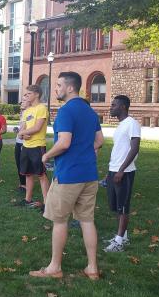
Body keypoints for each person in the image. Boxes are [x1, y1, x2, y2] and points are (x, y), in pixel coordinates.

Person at [29, 72, 104, 280]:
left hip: (69, 175)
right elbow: (99, 140)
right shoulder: (90, 112)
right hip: (89, 174)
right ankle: (92, 268)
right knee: (87, 220)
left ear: (70, 88)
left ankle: (55, 267)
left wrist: (46, 155)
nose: (56, 89)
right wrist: (86, 151)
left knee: (60, 221)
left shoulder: (65, 112)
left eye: (59, 85)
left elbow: (63, 143)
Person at [103, 95, 141, 253]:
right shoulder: (121, 125)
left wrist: (121, 170)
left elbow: (134, 148)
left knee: (123, 207)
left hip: (124, 172)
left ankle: (119, 242)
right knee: (116, 206)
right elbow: (118, 150)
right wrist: (110, 172)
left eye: (114, 105)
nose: (111, 107)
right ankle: (123, 237)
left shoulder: (132, 123)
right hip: (115, 170)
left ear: (123, 107)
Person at [17, 85, 50, 208]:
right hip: (26, 146)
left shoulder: (41, 108)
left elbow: (37, 127)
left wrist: (22, 133)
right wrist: (22, 135)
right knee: (28, 173)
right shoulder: (27, 110)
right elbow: (22, 129)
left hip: (38, 146)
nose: (26, 96)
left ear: (37, 94)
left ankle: (47, 203)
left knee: (41, 175)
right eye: (26, 94)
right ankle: (27, 199)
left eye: (29, 93)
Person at [14, 94, 29, 193]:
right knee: (19, 163)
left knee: (25, 164)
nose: (21, 103)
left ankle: (25, 185)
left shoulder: (31, 114)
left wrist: (22, 134)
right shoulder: (22, 113)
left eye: (23, 101)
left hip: (27, 143)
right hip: (18, 142)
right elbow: (22, 128)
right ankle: (22, 183)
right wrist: (18, 130)